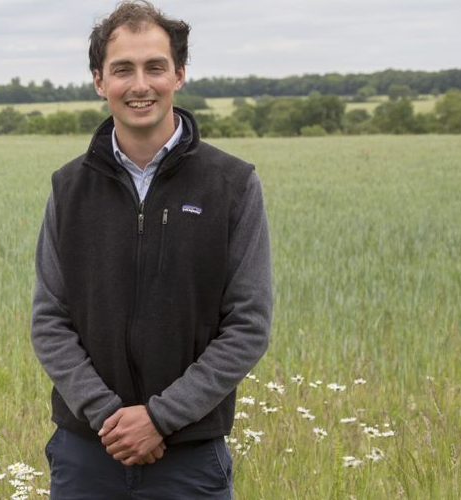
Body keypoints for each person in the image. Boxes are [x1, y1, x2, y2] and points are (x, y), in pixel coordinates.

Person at [30, 1, 273, 498]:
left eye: (155, 67)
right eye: (122, 69)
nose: (140, 85)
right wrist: (109, 417)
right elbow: (50, 320)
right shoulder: (69, 188)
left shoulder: (232, 184)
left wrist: (161, 418)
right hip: (86, 456)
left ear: (179, 74)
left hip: (190, 459)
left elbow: (248, 325)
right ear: (100, 81)